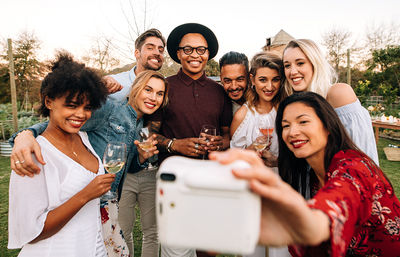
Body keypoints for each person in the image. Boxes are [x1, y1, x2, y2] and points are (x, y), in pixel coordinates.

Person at [210, 92, 400, 257]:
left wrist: (307, 223)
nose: (292, 132)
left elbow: (336, 202)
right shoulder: (312, 173)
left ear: (327, 125)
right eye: (285, 125)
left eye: (303, 122)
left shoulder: (354, 166)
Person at [9, 70, 168, 257]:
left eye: (159, 93)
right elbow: (62, 121)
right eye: (148, 90)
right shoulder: (111, 109)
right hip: (87, 201)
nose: (153, 97)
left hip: (108, 202)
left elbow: (125, 168)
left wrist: (141, 158)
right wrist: (25, 134)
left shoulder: (141, 127)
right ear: (135, 89)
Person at [8, 53, 112, 256]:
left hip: (93, 249)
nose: (81, 115)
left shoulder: (85, 138)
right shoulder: (33, 152)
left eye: (88, 107)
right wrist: (86, 195)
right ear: (49, 102)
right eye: (71, 105)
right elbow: (31, 232)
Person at [149, 23, 232, 257]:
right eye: (188, 49)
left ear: (208, 54)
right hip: (175, 178)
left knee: (207, 247)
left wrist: (221, 143)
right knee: (177, 247)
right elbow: (147, 133)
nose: (194, 55)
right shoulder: (164, 87)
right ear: (178, 54)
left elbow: (227, 136)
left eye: (200, 50)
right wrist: (174, 144)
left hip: (211, 179)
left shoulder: (219, 91)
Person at [229, 52, 289, 257]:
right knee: (252, 248)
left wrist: (278, 161)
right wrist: (250, 152)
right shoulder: (243, 115)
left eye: (275, 80)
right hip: (252, 190)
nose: (269, 86)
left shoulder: (286, 111)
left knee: (281, 249)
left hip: (283, 187)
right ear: (252, 79)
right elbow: (233, 161)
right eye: (263, 79)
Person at [282, 39, 379, 164]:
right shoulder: (297, 105)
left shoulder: (338, 94)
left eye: (300, 63)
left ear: (315, 64)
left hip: (347, 181)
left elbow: (363, 153)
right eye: (287, 65)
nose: (293, 71)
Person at [105, 28, 166, 101]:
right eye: (150, 48)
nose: (157, 53)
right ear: (137, 53)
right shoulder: (113, 83)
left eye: (161, 50)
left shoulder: (167, 86)